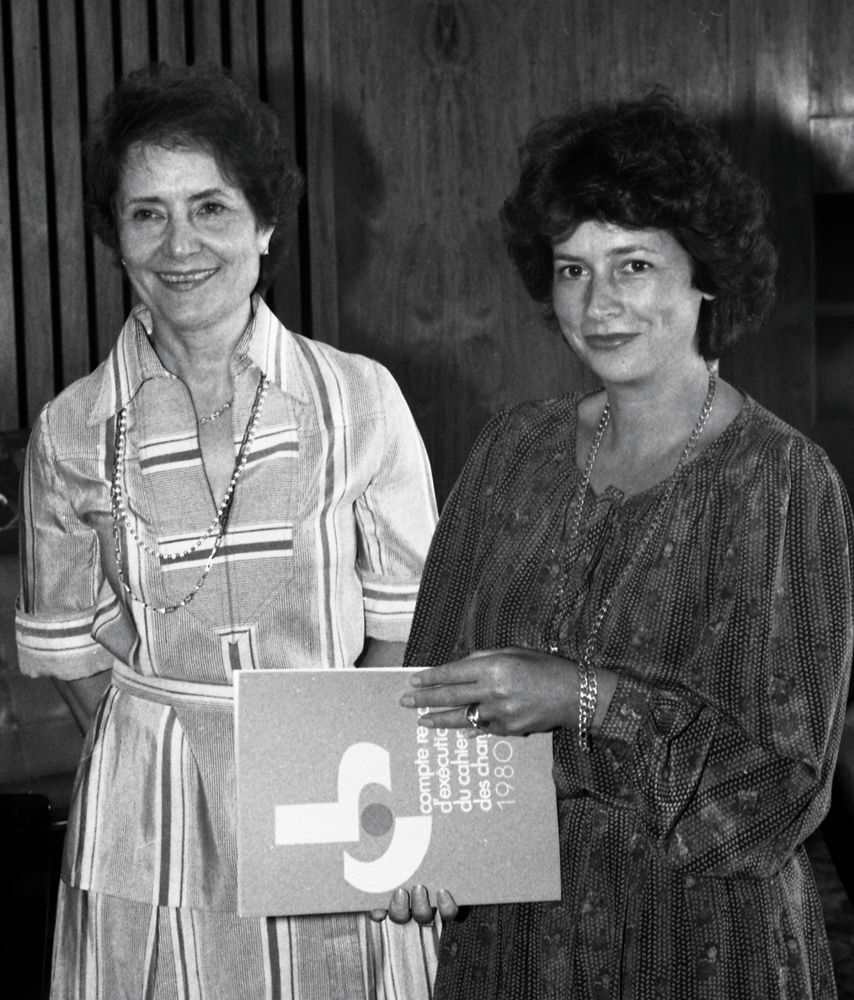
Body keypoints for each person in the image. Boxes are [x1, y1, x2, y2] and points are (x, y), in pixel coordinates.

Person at [399, 93, 854, 998]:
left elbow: (782, 791)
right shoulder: (510, 450)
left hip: (704, 948)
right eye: (572, 269)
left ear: (706, 275)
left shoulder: (783, 480)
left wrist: (584, 698)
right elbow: (424, 696)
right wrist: (420, 848)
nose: (597, 303)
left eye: (633, 265)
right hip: (514, 949)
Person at [15, 64, 439, 999]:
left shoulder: (359, 399)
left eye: (210, 206)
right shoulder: (74, 428)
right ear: (115, 235)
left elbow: (407, 621)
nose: (181, 245)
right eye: (147, 213)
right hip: (147, 821)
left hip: (337, 795)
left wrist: (335, 763)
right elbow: (71, 650)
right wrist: (173, 752)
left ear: (265, 223)